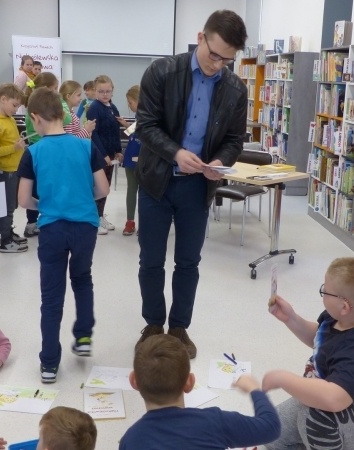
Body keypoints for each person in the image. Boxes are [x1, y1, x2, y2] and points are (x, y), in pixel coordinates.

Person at [133, 10, 248, 358]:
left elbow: (235, 139)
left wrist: (219, 162)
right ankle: (153, 325)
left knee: (188, 262)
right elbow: (146, 126)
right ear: (201, 37)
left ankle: (179, 328)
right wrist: (176, 153)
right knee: (151, 260)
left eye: (227, 59)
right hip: (156, 182)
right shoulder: (162, 71)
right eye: (214, 55)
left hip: (197, 188)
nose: (218, 65)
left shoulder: (235, 88)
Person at [16, 87, 109, 383]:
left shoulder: (33, 152)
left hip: (52, 229)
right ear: (62, 113)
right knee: (82, 278)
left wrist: (44, 205)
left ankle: (49, 364)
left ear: (35, 118)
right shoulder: (85, 146)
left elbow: (23, 200)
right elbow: (103, 190)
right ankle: (83, 337)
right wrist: (81, 200)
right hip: (85, 227)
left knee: (51, 296)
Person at [263, 257, 354, 450]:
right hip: (340, 400)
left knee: (316, 414)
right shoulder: (341, 318)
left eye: (325, 291)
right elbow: (320, 339)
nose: (322, 293)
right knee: (271, 430)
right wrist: (291, 318)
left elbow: (334, 399)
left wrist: (283, 379)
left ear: (344, 306)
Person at [120, 334, 280, 449]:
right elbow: (271, 427)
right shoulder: (215, 423)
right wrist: (255, 390)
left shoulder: (130, 440)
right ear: (189, 383)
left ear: (134, 381)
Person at [22, 72, 71, 239]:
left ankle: (34, 221)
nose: (57, 93)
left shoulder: (31, 106)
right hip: (41, 148)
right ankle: (34, 221)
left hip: (38, 147)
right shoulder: (37, 110)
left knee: (38, 186)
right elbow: (67, 119)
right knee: (40, 187)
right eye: (55, 89)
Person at [0, 83, 29, 253]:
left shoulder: (9, 119)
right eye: (14, 105)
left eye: (18, 106)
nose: (15, 109)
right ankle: (5, 240)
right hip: (5, 171)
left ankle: (9, 232)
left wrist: (18, 144)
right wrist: (14, 148)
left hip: (14, 169)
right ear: (3, 100)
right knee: (6, 207)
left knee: (11, 206)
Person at [87, 74, 129, 235]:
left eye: (108, 91)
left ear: (112, 91)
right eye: (101, 91)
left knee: (105, 188)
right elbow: (94, 134)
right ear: (95, 91)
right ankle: (93, 219)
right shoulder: (94, 108)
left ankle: (99, 215)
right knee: (97, 187)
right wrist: (103, 155)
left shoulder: (113, 107)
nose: (105, 94)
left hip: (111, 154)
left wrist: (118, 150)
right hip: (100, 155)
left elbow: (116, 131)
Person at [122, 85, 140, 236]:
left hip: (145, 159)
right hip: (131, 156)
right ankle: (130, 221)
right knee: (131, 190)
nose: (129, 105)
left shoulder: (151, 117)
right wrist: (126, 126)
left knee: (145, 193)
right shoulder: (138, 117)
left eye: (130, 102)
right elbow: (133, 132)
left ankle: (146, 223)